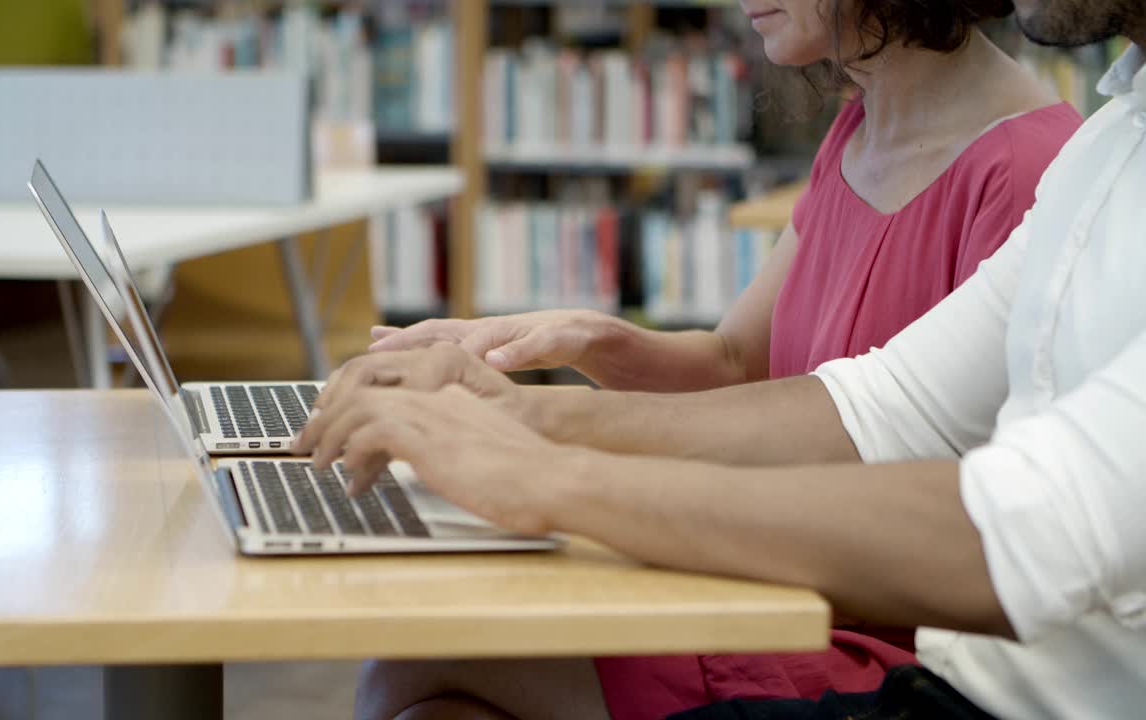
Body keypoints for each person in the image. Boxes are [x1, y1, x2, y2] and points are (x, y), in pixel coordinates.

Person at [294, 0, 1146, 715]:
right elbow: (868, 405)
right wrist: (514, 411)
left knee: (435, 652)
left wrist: (545, 473)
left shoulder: (1039, 154)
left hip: (892, 639)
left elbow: (1015, 520)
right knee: (433, 675)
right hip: (915, 643)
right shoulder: (1110, 147)